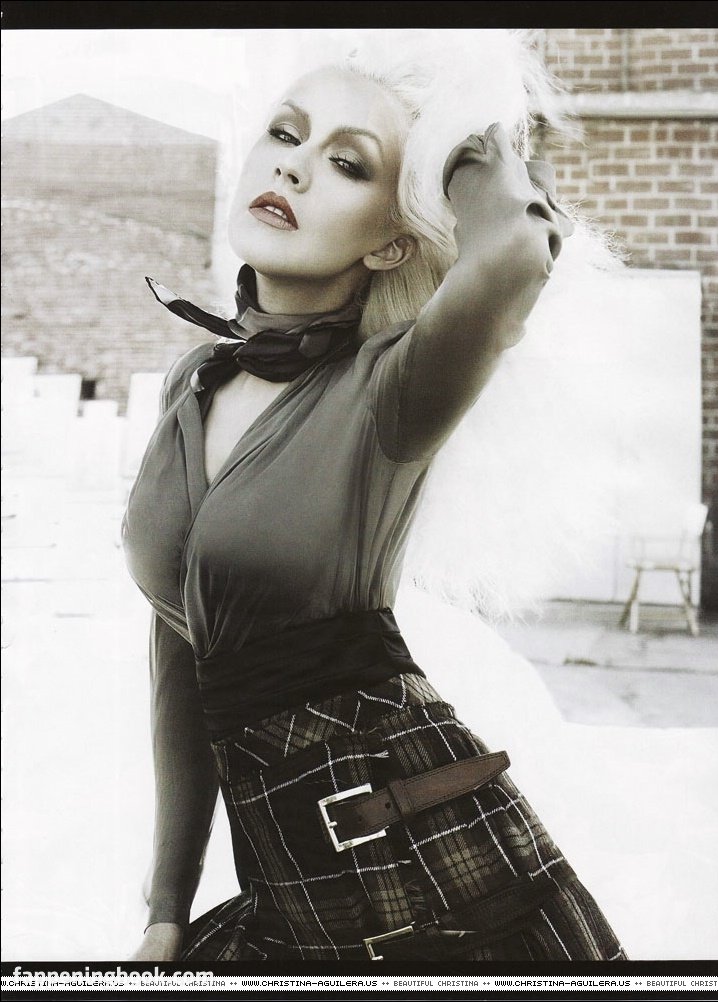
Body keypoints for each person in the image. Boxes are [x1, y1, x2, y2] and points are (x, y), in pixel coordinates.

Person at [121, 44, 627, 962]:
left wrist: (466, 128)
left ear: (390, 241)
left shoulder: (395, 387)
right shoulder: (193, 384)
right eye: (285, 135)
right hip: (292, 889)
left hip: (441, 879)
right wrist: (166, 904)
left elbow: (514, 252)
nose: (293, 168)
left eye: (348, 164)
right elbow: (180, 664)